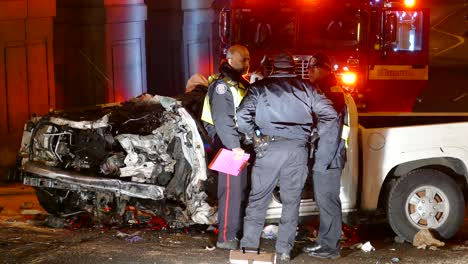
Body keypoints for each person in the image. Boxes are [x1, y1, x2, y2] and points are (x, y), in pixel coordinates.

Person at [236, 52, 339, 262]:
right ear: (293, 68)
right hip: (297, 150)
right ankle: (284, 251)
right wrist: (313, 133)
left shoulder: (259, 88)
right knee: (291, 202)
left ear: (273, 67)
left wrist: (256, 136)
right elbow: (330, 113)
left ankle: (248, 250)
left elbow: (241, 117)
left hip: (268, 149)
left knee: (257, 200)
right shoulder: (307, 88)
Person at [200, 44, 251, 250]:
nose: (247, 63)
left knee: (238, 191)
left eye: (248, 59)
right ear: (230, 60)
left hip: (237, 145)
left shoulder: (238, 84)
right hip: (230, 147)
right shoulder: (223, 86)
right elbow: (222, 118)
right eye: (243, 59)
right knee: (231, 192)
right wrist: (234, 146)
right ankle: (226, 238)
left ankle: (232, 233)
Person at [303, 52, 348, 259]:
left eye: (314, 67)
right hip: (326, 156)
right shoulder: (325, 89)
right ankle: (324, 242)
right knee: (324, 201)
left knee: (328, 200)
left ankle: (330, 247)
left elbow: (331, 130)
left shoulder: (331, 92)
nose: (309, 70)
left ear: (326, 69)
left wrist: (323, 162)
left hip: (328, 157)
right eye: (309, 66)